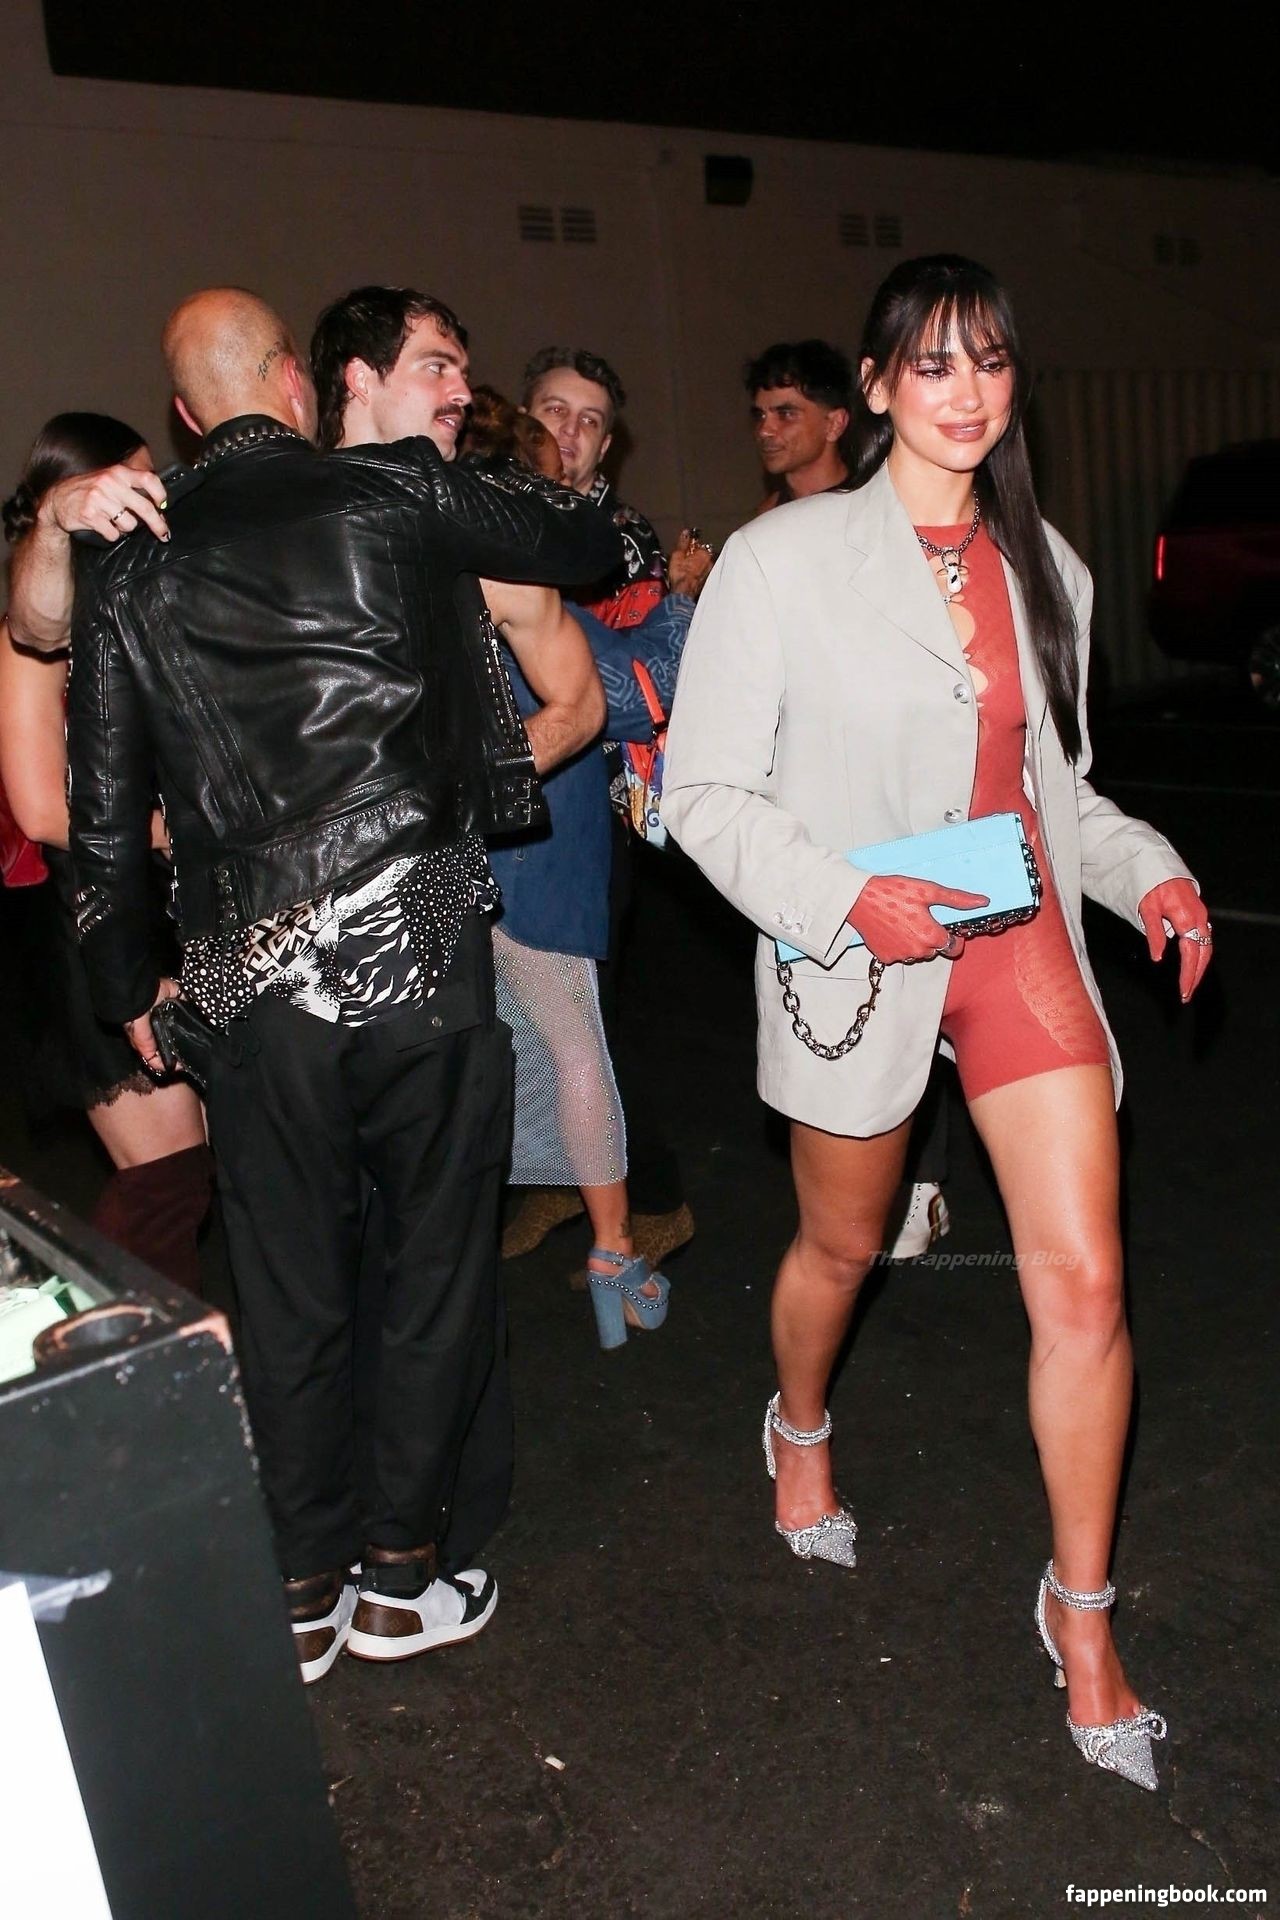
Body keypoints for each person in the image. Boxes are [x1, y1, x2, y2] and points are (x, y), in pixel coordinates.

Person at [664, 255, 1211, 1792]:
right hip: (855, 944)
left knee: (1087, 1285)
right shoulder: (781, 560)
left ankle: (1081, 1617)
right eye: (933, 363)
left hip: (1015, 936)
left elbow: (1062, 794)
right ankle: (799, 1422)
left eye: (990, 362)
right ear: (878, 382)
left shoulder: (1052, 570)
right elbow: (703, 795)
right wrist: (847, 899)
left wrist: (1150, 875)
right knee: (842, 1248)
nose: (966, 392)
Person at [66, 287, 619, 1684]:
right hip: (416, 942)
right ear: (296, 386)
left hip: (246, 971)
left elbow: (102, 804)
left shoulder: (132, 559)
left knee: (284, 1281)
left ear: (185, 414)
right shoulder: (398, 492)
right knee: (433, 1268)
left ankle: (303, 1586)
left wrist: (125, 978)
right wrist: (541, 480)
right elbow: (586, 542)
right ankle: (398, 1579)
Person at [459, 393, 711, 1343]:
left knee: (479, 1049)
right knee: (574, 1044)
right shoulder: (523, 591)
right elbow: (638, 692)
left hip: (447, 846)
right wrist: (683, 601)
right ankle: (616, 1251)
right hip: (539, 841)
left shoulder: (404, 577)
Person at [745, 339, 952, 1255]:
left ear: (839, 419)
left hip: (896, 822)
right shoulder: (768, 532)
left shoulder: (874, 524)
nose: (767, 430)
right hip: (800, 827)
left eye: (786, 412)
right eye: (759, 413)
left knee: (918, 1008)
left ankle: (921, 1183)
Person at [1, 414, 212, 1291]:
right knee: (167, 1181)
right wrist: (185, 827)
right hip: (85, 921)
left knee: (195, 1169)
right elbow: (43, 809)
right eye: (132, 484)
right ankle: (93, 1336)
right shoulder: (32, 631)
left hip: (162, 904)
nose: (155, 500)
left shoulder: (133, 604)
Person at [517, 345, 695, 1271]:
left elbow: (631, 688)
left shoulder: (617, 538)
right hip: (500, 805)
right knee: (533, 1021)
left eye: (590, 420)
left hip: (587, 802)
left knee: (583, 1016)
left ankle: (642, 1199)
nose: (570, 431)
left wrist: (678, 605)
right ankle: (569, 1183)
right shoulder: (499, 518)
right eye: (554, 410)